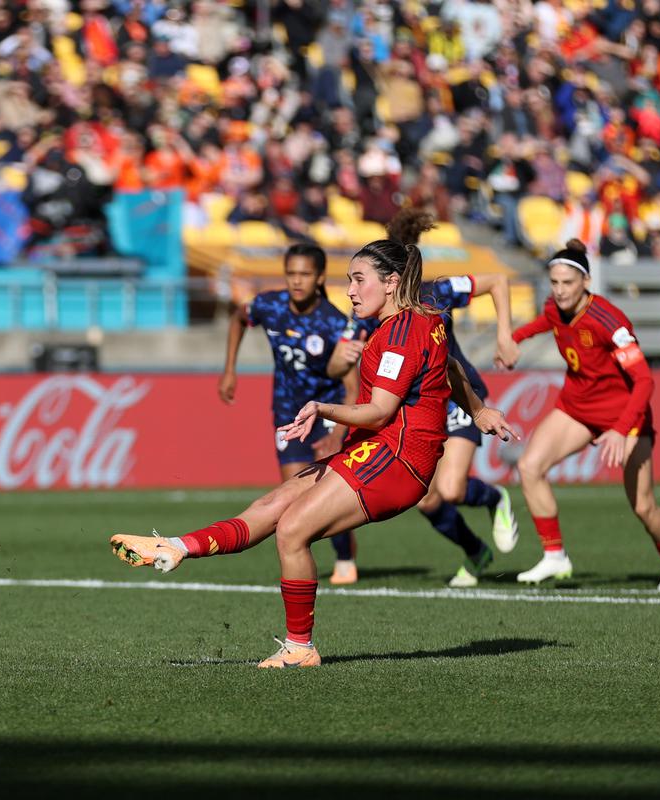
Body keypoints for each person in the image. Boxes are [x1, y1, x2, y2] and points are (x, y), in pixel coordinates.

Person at [112, 238, 518, 668]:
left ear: (391, 281)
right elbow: (450, 365)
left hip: (397, 459)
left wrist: (322, 408)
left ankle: (300, 647)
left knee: (291, 531)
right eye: (349, 281)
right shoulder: (424, 318)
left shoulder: (398, 335)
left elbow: (380, 411)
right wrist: (478, 410)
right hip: (378, 450)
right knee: (271, 505)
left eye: (359, 280)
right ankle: (175, 547)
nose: (351, 291)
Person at [328, 209, 521, 588]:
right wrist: (341, 359)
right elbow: (336, 364)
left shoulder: (438, 292)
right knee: (427, 500)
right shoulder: (365, 312)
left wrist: (504, 335)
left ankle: (494, 498)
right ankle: (475, 550)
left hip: (458, 397)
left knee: (451, 490)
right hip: (414, 410)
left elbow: (498, 280)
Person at [509, 240, 660, 593]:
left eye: (568, 283)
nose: (560, 291)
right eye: (555, 282)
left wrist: (622, 430)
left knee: (643, 505)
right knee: (530, 467)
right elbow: (545, 322)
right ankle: (555, 555)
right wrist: (513, 338)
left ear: (586, 282)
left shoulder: (609, 320)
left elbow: (644, 380)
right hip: (576, 408)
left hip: (625, 416)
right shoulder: (555, 307)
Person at [218, 242, 368, 584]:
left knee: (327, 492)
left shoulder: (335, 324)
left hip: (328, 415)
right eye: (291, 274)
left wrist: (337, 432)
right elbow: (238, 319)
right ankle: (302, 557)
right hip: (287, 411)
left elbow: (350, 386)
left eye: (305, 274)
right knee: (292, 491)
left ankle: (345, 556)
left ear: (318, 279)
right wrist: (229, 370)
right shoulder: (269, 305)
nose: (296, 281)